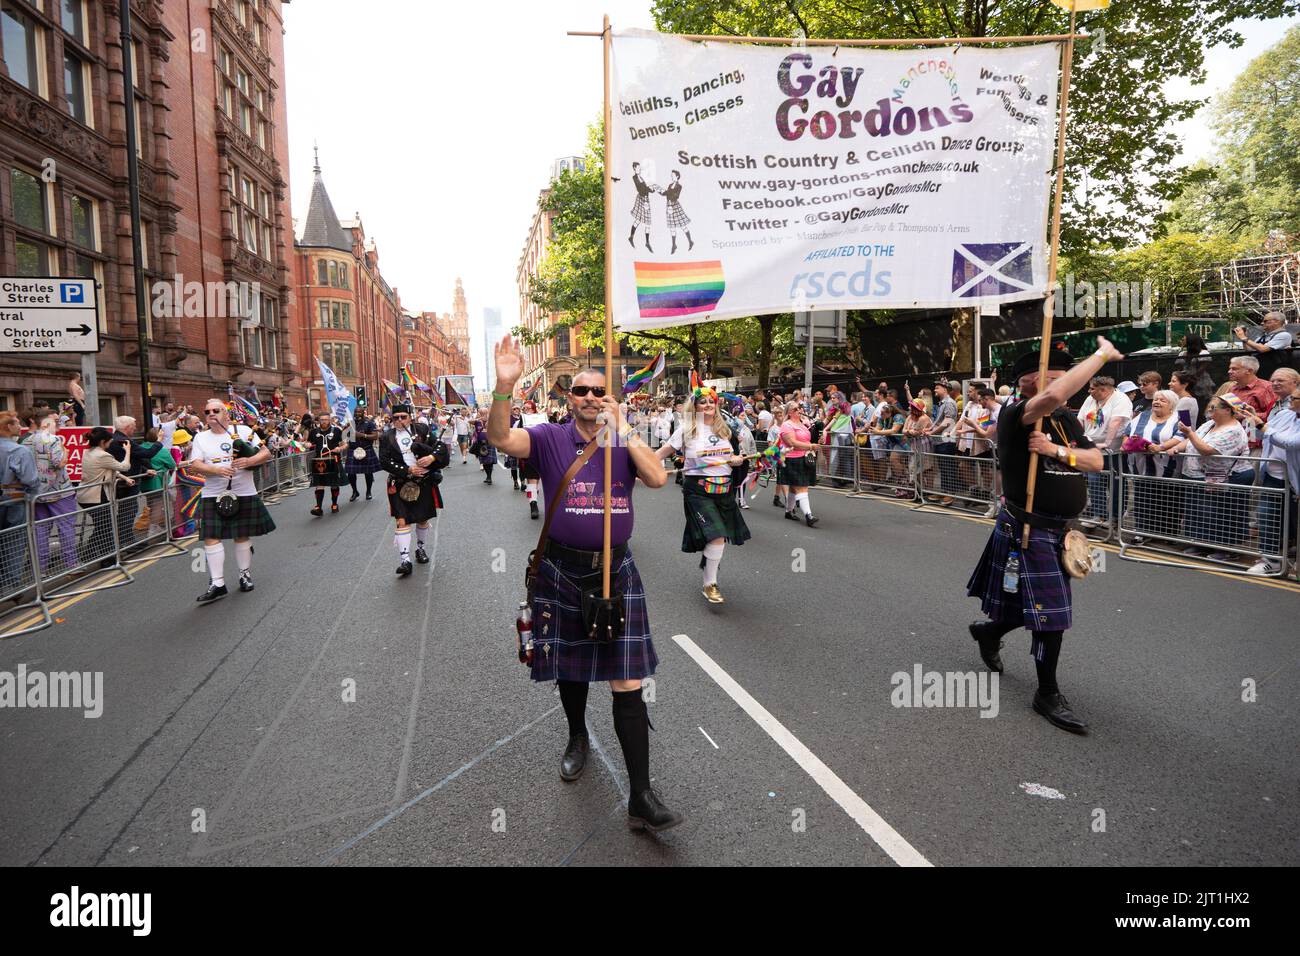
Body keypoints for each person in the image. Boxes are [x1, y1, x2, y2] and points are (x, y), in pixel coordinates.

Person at [487, 335, 681, 832]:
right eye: (581, 391)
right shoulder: (550, 438)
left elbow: (658, 479)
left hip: (616, 569)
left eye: (600, 392)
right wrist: (504, 387)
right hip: (562, 568)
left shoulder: (624, 438)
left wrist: (625, 430)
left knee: (626, 677)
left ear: (610, 398)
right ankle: (577, 736)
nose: (591, 398)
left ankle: (640, 793)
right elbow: (502, 440)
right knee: (571, 669)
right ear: (567, 397)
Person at [967, 338, 1124, 735]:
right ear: (1029, 381)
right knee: (1051, 617)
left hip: (1061, 531)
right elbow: (1055, 393)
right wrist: (1101, 355)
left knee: (1036, 606)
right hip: (1027, 527)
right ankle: (1047, 693)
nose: (1069, 385)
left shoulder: (1064, 420)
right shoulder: (1017, 412)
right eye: (1059, 377)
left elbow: (1096, 461)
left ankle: (989, 631)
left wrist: (1056, 451)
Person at [656, 386, 750, 603]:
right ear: (695, 406)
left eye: (711, 401)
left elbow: (738, 455)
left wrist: (737, 459)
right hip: (698, 490)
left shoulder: (726, 429)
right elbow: (661, 454)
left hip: (724, 489)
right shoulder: (687, 430)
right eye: (702, 402)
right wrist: (639, 467)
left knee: (718, 538)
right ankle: (710, 585)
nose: (707, 405)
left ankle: (709, 565)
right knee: (716, 536)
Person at [184, 399, 274, 603]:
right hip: (213, 493)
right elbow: (195, 464)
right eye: (207, 411)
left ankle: (244, 574)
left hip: (243, 492)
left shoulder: (242, 431)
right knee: (211, 537)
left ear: (226, 413)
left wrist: (250, 461)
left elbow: (266, 452)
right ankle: (217, 583)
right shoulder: (200, 437)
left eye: (216, 410)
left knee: (241, 535)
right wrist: (216, 470)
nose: (211, 414)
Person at [1237, 368, 1300, 574]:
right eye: (1272, 380)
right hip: (1273, 476)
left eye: (1296, 398)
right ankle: (1271, 561)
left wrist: (1264, 427)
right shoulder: (1284, 412)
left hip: (1294, 479)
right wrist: (1254, 419)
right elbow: (1264, 434)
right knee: (1267, 517)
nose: (1292, 401)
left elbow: (1290, 443)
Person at [1174, 397, 1253, 558]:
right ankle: (1201, 544)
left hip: (1230, 476)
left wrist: (1188, 432)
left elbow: (1207, 449)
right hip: (1203, 475)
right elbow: (1192, 439)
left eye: (1214, 408)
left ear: (1228, 410)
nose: (1210, 410)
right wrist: (1175, 447)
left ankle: (1227, 549)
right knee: (1200, 511)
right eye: (1209, 407)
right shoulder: (1210, 423)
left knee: (1224, 513)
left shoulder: (1233, 430)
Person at [378, 403, 445, 577]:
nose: (399, 421)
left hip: (423, 481)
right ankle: (405, 560)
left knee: (422, 520)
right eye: (395, 418)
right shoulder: (386, 437)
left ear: (410, 417)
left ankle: (420, 549)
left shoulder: (421, 430)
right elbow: (384, 461)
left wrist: (431, 457)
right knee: (402, 520)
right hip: (400, 482)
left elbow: (440, 447)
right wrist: (407, 470)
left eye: (403, 417)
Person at [20, 407, 77, 573]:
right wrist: (66, 451)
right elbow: (59, 463)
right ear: (45, 424)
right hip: (59, 490)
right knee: (66, 527)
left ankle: (40, 568)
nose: (56, 425)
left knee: (40, 531)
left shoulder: (26, 441)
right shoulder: (53, 439)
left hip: (36, 491)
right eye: (53, 422)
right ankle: (71, 564)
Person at [1121, 389, 1183, 539]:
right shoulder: (1142, 415)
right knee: (1142, 499)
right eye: (1156, 399)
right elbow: (1127, 433)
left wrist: (1161, 447)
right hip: (1140, 467)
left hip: (1168, 468)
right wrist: (1127, 445)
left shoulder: (1181, 416)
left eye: (1162, 400)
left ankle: (1168, 535)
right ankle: (1141, 532)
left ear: (1172, 405)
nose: (1157, 402)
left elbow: (1184, 436)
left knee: (1168, 500)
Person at [76, 426, 134, 565]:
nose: (110, 444)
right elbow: (125, 467)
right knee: (106, 528)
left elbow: (107, 468)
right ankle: (107, 560)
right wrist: (128, 451)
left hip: (85, 495)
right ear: (103, 441)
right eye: (109, 441)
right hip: (96, 496)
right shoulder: (103, 455)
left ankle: (90, 556)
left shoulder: (88, 452)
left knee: (102, 526)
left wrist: (124, 478)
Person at [0, 411, 39, 592]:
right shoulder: (19, 450)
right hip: (14, 499)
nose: (19, 426)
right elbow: (30, 479)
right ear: (8, 427)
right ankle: (12, 585)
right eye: (16, 423)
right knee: (14, 541)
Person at [108, 416, 155, 551]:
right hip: (125, 483)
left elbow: (135, 458)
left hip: (127, 481)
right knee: (127, 512)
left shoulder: (120, 438)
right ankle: (126, 542)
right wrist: (158, 441)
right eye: (133, 426)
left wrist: (146, 470)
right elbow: (146, 453)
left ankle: (127, 540)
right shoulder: (122, 440)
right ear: (127, 427)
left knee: (128, 511)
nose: (135, 428)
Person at [778, 401, 819, 526]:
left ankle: (789, 511)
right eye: (796, 409)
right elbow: (792, 443)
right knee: (801, 486)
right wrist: (810, 446)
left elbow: (807, 438)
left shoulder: (802, 424)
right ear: (789, 412)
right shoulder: (786, 425)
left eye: (800, 408)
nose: (799, 410)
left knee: (794, 486)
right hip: (791, 458)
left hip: (804, 458)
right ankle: (808, 515)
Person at [1226, 355, 1276, 452]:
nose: (1229, 371)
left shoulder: (1266, 387)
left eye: (1234, 369)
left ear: (1249, 371)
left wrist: (1246, 415)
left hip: (1255, 443)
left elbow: (1273, 415)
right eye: (1230, 368)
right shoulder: (1233, 388)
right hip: (1234, 440)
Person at [308, 412, 346, 515]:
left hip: (333, 460)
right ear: (319, 421)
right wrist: (307, 444)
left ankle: (334, 504)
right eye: (322, 420)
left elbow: (345, 444)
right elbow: (310, 443)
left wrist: (340, 448)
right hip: (319, 461)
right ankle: (318, 507)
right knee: (320, 484)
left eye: (326, 419)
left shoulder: (337, 431)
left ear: (330, 420)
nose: (324, 421)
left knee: (334, 484)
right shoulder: (314, 432)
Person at [518, 399, 548, 518]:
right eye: (524, 408)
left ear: (533, 409)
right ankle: (533, 504)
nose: (526, 410)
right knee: (532, 482)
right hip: (530, 453)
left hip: (544, 453)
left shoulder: (542, 418)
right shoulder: (522, 420)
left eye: (528, 408)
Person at [344, 410, 382, 502]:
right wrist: (345, 430)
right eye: (355, 412)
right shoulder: (351, 423)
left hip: (366, 449)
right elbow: (344, 437)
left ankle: (368, 491)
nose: (357, 413)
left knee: (368, 472)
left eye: (359, 412)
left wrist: (362, 435)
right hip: (353, 450)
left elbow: (375, 436)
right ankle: (355, 492)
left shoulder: (369, 423)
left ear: (363, 413)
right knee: (351, 473)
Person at [1173, 333, 1215, 414]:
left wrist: (1191, 377)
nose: (1181, 341)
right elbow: (1178, 368)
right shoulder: (1183, 354)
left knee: (1200, 404)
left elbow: (1202, 369)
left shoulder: (1203, 353)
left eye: (1183, 339)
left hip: (1200, 381)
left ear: (1190, 341)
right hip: (1185, 380)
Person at [471, 411, 497, 483]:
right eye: (481, 413)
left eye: (484, 413)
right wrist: (478, 419)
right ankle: (488, 476)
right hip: (481, 444)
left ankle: (489, 477)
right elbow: (469, 421)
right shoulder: (477, 422)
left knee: (490, 461)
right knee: (484, 462)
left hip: (490, 443)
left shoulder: (491, 421)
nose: (483, 415)